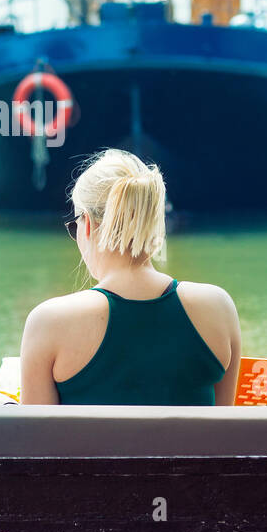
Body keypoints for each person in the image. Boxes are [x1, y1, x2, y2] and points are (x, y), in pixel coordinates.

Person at [19, 150, 241, 406]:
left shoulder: (48, 323)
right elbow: (221, 433)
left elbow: (36, 441)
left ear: (88, 224)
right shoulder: (218, 307)